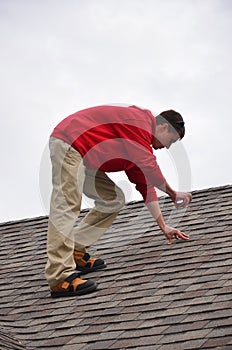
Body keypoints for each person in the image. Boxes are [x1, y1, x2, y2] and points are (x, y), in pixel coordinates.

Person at [45, 104, 192, 298]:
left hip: (85, 156)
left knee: (113, 199)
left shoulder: (135, 145)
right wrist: (173, 194)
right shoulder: (139, 124)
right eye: (171, 141)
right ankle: (59, 277)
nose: (167, 147)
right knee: (67, 204)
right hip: (70, 143)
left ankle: (75, 250)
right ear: (164, 127)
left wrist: (164, 226)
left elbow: (146, 186)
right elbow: (151, 168)